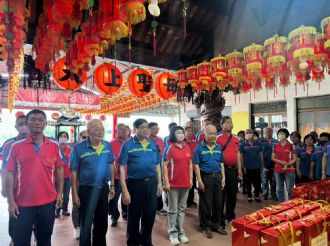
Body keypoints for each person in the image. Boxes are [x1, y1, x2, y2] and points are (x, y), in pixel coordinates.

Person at [5, 109, 65, 246]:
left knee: (44, 239)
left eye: (40, 120)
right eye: (33, 119)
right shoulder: (16, 146)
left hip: (48, 202)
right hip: (22, 203)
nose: (37, 122)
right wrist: (10, 201)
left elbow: (60, 169)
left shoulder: (54, 145)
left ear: (45, 124)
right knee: (20, 241)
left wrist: (60, 194)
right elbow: (9, 173)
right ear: (26, 123)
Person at [71, 119, 116, 246]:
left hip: (103, 189)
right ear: (89, 132)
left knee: (102, 222)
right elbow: (74, 171)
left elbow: (111, 165)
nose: (100, 131)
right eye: (96, 129)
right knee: (85, 224)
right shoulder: (79, 148)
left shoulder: (107, 145)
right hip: (86, 190)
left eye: (101, 128)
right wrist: (74, 193)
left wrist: (112, 185)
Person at [119, 118, 162, 246]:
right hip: (135, 184)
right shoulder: (127, 145)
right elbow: (121, 168)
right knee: (134, 215)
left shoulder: (152, 144)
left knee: (150, 214)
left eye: (147, 127)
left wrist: (160, 182)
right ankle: (132, 242)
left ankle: (146, 240)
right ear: (135, 129)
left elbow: (157, 164)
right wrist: (125, 190)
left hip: (151, 183)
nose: (146, 130)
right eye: (142, 127)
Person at [194, 124, 227, 239]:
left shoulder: (218, 147)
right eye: (211, 134)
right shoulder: (199, 148)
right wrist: (199, 180)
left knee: (218, 203)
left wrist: (223, 177)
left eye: (215, 133)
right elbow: (196, 165)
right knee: (206, 204)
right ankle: (205, 227)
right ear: (205, 134)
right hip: (206, 178)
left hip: (217, 177)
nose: (213, 136)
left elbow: (221, 163)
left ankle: (216, 225)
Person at [0, 114, 28, 245]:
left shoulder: (38, 141)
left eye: (25, 123)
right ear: (16, 127)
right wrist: (4, 187)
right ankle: (14, 238)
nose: (24, 127)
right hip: (15, 187)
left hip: (33, 188)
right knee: (14, 213)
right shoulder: (9, 143)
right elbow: (4, 167)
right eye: (20, 124)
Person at [163, 126, 192, 245]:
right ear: (173, 135)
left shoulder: (187, 147)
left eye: (182, 132)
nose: (181, 134)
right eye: (178, 132)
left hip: (185, 183)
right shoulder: (170, 148)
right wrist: (166, 182)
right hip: (173, 184)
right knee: (173, 210)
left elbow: (190, 164)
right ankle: (173, 233)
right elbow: (164, 165)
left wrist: (190, 179)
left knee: (181, 209)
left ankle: (181, 232)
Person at [217, 116, 242, 226]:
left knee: (232, 194)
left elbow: (237, 154)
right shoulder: (218, 138)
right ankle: (220, 217)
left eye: (230, 122)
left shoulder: (236, 138)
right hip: (221, 170)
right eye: (226, 123)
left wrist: (240, 169)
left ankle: (230, 215)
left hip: (233, 170)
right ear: (222, 125)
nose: (229, 124)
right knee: (221, 195)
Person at [109, 123, 128, 227]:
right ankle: (114, 216)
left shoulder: (130, 142)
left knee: (127, 195)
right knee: (114, 198)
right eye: (120, 130)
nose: (123, 132)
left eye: (124, 130)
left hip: (130, 175)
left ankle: (125, 213)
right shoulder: (111, 143)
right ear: (116, 131)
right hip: (116, 176)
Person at [71, 130, 89, 240]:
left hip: (90, 184)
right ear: (79, 137)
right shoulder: (77, 149)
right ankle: (77, 227)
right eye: (83, 137)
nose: (85, 138)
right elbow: (73, 169)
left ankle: (87, 226)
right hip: (78, 183)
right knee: (77, 206)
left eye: (87, 137)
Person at [272, 128, 297, 202]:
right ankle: (281, 204)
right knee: (279, 188)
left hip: (289, 170)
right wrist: (281, 162)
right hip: (278, 170)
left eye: (282, 133)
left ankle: (291, 203)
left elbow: (295, 158)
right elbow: (272, 158)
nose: (281, 135)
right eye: (279, 133)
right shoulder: (275, 145)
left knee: (290, 189)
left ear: (286, 135)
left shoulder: (291, 145)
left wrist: (288, 164)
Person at [148, 122, 167, 216]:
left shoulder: (160, 139)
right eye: (153, 128)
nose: (155, 130)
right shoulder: (147, 140)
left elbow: (163, 153)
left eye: (157, 128)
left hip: (160, 165)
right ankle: (153, 207)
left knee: (159, 186)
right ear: (149, 129)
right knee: (152, 188)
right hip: (150, 167)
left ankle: (159, 207)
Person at [240, 129, 263, 202]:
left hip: (257, 166)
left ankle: (256, 196)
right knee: (248, 183)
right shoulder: (242, 144)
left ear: (253, 134)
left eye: (250, 133)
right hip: (247, 167)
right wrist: (242, 167)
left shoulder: (258, 143)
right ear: (245, 135)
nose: (249, 134)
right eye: (247, 133)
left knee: (257, 182)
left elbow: (261, 155)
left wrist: (262, 165)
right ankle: (249, 196)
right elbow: (241, 156)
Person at [55, 131, 72, 218]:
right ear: (58, 138)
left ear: (67, 138)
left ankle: (64, 209)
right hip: (56, 177)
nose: (63, 138)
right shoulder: (55, 149)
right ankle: (57, 210)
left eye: (65, 136)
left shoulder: (70, 150)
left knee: (66, 195)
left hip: (67, 176)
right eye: (61, 136)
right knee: (57, 194)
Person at [260, 127, 278, 201]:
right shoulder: (261, 142)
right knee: (264, 182)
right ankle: (265, 194)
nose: (268, 133)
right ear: (264, 133)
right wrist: (262, 165)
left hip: (274, 165)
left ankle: (273, 194)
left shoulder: (276, 142)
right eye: (266, 132)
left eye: (269, 132)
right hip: (264, 166)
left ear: (272, 132)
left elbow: (278, 154)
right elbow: (259, 155)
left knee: (274, 182)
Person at [184, 126, 198, 208]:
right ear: (184, 132)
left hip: (193, 167)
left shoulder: (194, 143)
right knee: (185, 185)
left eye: (191, 131)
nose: (190, 132)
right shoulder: (182, 142)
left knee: (192, 184)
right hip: (185, 168)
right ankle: (184, 201)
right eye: (188, 131)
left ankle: (190, 201)